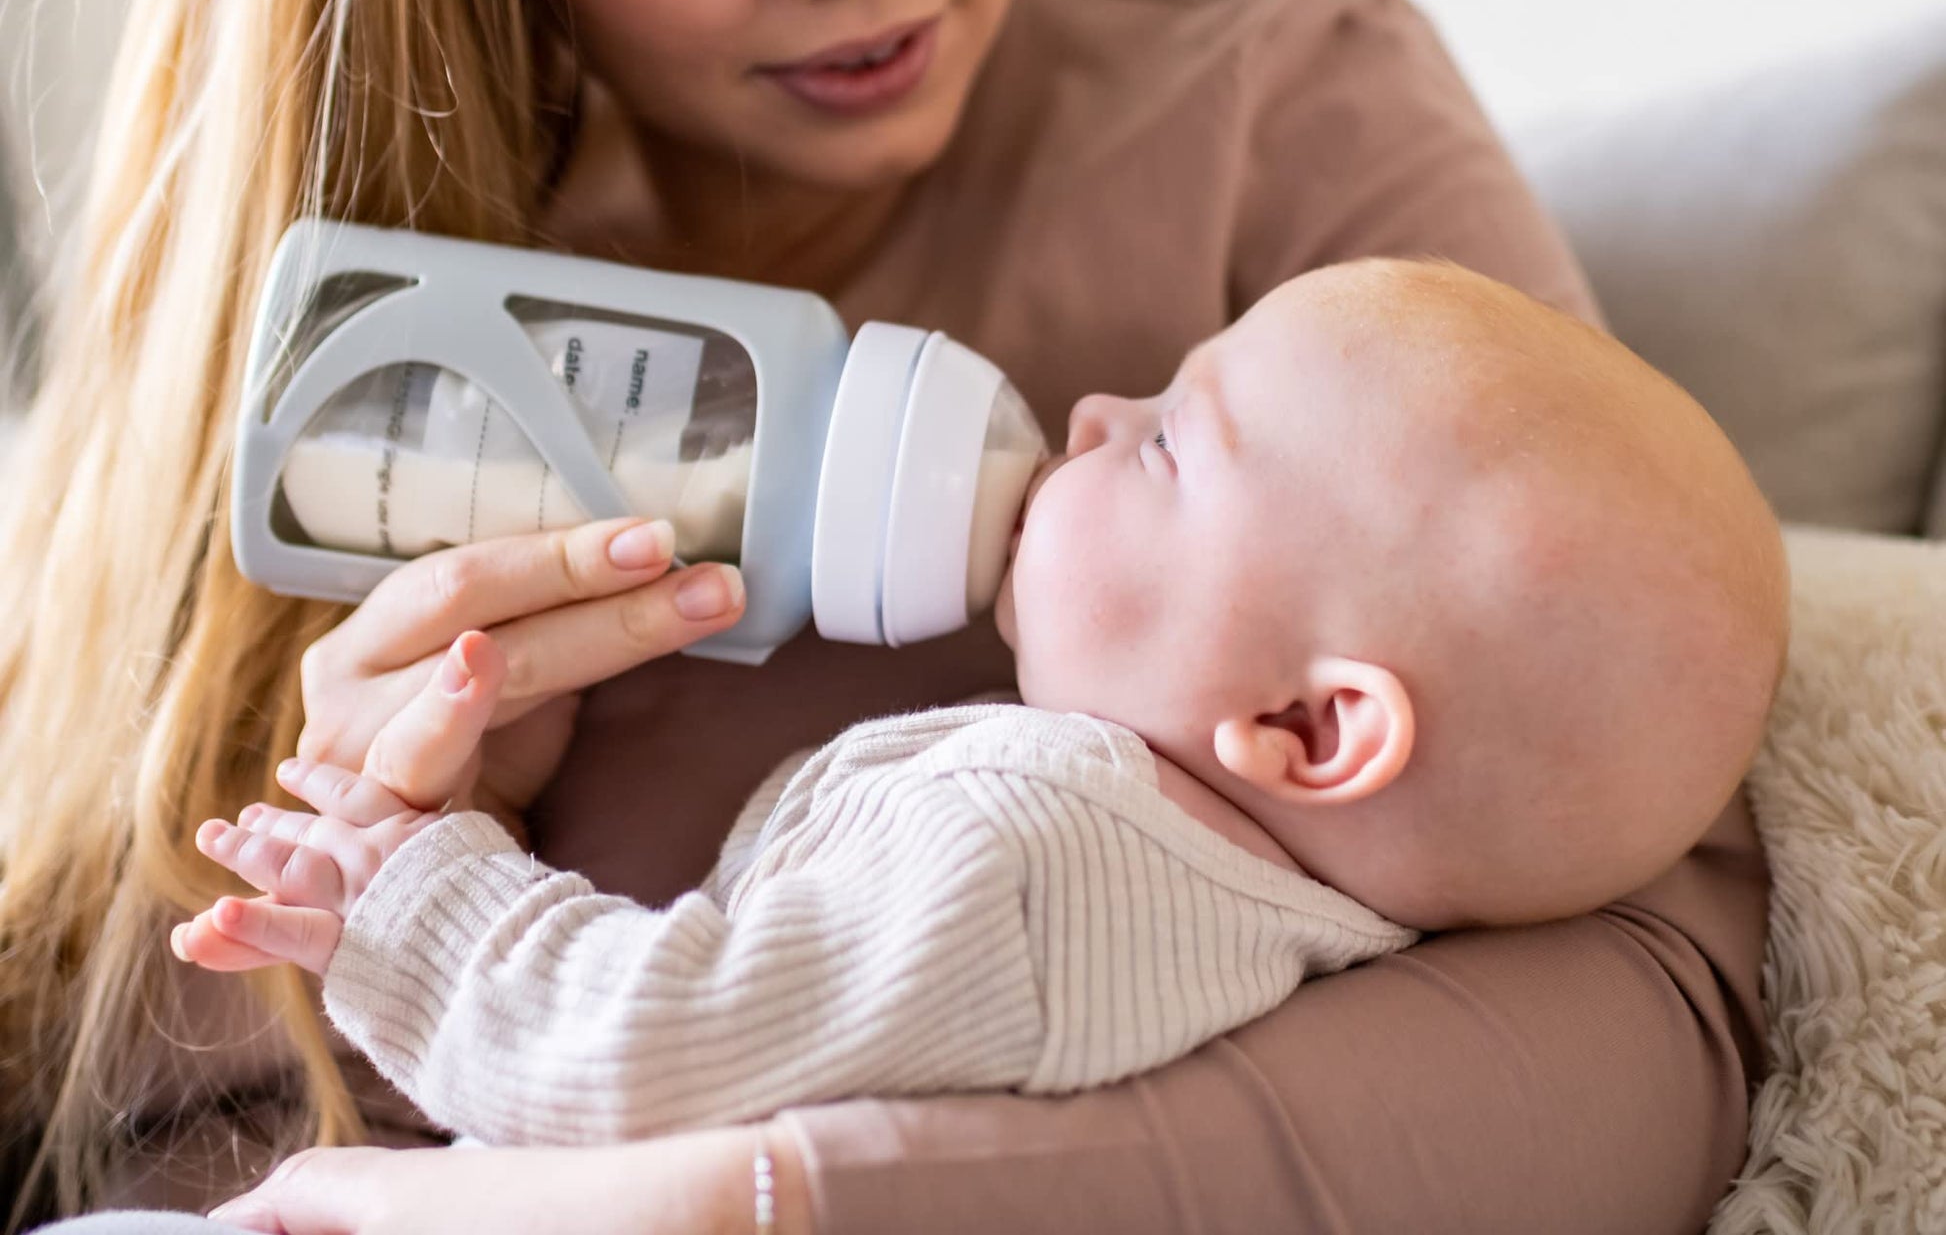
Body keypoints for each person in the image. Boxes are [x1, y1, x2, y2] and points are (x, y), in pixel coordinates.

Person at [0, 0, 1771, 1231]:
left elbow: (1656, 1012)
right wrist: (440, 829)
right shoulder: (357, 327)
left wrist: (744, 1201)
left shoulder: (1274, 119)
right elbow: (95, 1100)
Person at [170, 261, 1787, 1167]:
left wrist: (417, 886)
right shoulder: (1208, 908)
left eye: (1168, 443)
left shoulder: (1036, 859)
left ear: (1305, 729)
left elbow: (647, 1055)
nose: (1092, 410)